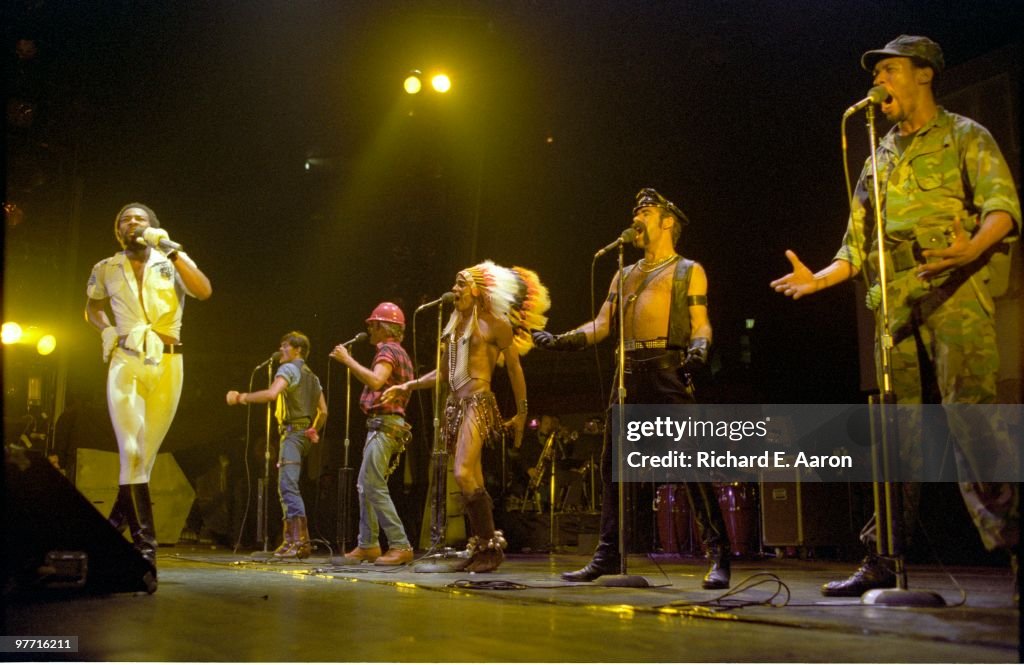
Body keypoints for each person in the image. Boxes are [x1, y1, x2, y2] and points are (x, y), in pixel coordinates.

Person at [770, 35, 1020, 598]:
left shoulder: (963, 135)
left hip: (955, 288)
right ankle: (883, 557)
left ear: (924, 74)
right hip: (894, 301)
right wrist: (819, 279)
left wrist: (972, 248)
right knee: (895, 435)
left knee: (973, 424)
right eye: (876, 72)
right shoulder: (876, 156)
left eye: (890, 70)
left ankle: (1014, 548)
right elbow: (854, 247)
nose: (879, 81)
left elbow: (1003, 207)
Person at [532, 188, 732, 589]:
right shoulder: (623, 273)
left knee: (691, 464)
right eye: (635, 209)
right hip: (628, 376)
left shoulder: (687, 269)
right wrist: (563, 339)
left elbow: (701, 320)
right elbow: (602, 325)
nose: (637, 215)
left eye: (647, 210)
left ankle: (720, 554)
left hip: (667, 370)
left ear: (668, 222)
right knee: (613, 469)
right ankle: (608, 555)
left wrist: (700, 348)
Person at [384, 261, 550, 572]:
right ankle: (484, 548)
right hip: (454, 405)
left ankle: (488, 544)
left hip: (478, 402)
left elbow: (514, 368)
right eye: (455, 284)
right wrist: (408, 384)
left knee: (462, 471)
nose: (455, 289)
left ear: (477, 289)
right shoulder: (453, 326)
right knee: (468, 477)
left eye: (461, 284)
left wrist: (521, 413)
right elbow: (445, 374)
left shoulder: (494, 324)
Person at [85, 203, 212, 578]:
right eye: (125, 219)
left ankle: (104, 540)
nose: (133, 223)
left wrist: (173, 249)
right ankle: (145, 556)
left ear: (154, 227)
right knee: (133, 451)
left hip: (169, 363)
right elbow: (92, 308)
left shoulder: (170, 259)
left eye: (140, 219)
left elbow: (203, 291)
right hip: (126, 360)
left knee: (145, 460)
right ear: (118, 231)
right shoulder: (105, 268)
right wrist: (105, 328)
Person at [227, 331, 327, 559]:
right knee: (287, 486)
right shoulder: (312, 376)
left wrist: (241, 397)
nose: (281, 350)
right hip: (303, 436)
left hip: (292, 433)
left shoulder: (289, 369)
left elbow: (272, 394)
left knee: (288, 487)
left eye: (285, 346)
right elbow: (324, 411)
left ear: (297, 350)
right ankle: (290, 540)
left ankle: (300, 541)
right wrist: (314, 429)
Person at [329, 303, 416, 566]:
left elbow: (377, 381)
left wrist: (347, 360)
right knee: (365, 485)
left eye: (372, 325)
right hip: (383, 424)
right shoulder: (398, 352)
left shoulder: (388, 351)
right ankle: (368, 544)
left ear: (382, 326)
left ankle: (400, 544)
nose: (369, 329)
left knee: (373, 485)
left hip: (385, 424)